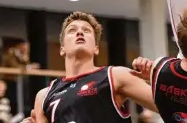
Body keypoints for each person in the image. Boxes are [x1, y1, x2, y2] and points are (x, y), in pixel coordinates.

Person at [22, 11, 157, 123]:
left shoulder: (116, 76)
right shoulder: (44, 95)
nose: (79, 33)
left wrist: (155, 81)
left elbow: (170, 106)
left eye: (86, 30)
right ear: (62, 48)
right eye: (72, 30)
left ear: (96, 48)